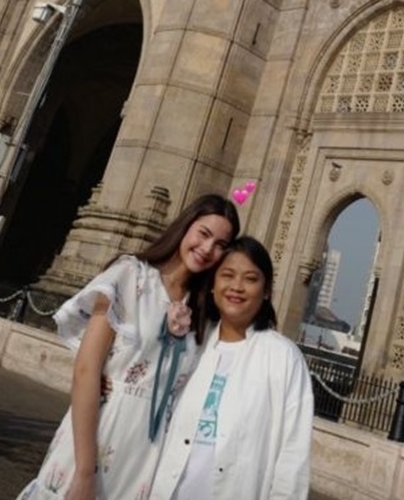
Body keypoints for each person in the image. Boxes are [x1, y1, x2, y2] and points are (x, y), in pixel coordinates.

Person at [16, 193, 240, 500]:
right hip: (100, 433)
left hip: (151, 455)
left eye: (220, 245)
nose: (207, 248)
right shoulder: (130, 276)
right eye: (204, 233)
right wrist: (84, 472)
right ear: (186, 225)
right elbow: (86, 370)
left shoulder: (203, 311)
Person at [150, 236, 314, 500]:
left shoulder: (284, 358)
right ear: (213, 284)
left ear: (266, 290)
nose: (237, 287)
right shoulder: (193, 344)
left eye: (251, 279)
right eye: (227, 275)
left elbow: (293, 456)